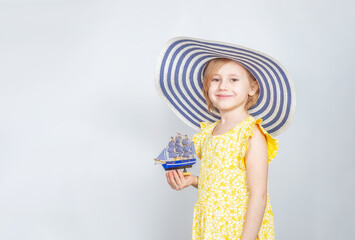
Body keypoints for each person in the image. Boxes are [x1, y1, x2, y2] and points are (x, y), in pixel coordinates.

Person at [155, 37, 296, 240]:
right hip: (211, 227)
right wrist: (192, 180)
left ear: (252, 88)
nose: (223, 86)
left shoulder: (251, 134)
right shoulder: (208, 133)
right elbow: (221, 182)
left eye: (233, 79)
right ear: (206, 86)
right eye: (215, 79)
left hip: (239, 229)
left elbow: (259, 195)